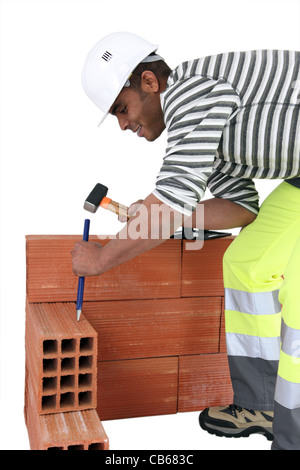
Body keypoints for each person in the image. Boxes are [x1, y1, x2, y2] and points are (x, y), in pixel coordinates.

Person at [72, 32, 300, 450]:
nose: (123, 125)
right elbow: (240, 206)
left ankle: (295, 435)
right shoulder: (200, 124)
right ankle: (262, 405)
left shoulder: (193, 93)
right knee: (247, 263)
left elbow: (173, 197)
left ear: (150, 82)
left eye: (122, 109)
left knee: (299, 295)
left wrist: (102, 258)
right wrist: (159, 217)